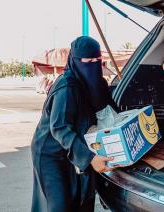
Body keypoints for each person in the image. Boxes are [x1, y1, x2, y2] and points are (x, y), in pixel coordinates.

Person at [31, 36, 118, 212]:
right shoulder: (67, 86)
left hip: (78, 147)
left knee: (83, 198)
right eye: (88, 61)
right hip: (51, 153)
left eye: (97, 60)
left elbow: (110, 111)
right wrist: (89, 158)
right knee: (60, 204)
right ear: (75, 60)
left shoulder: (98, 83)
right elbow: (60, 128)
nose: (93, 65)